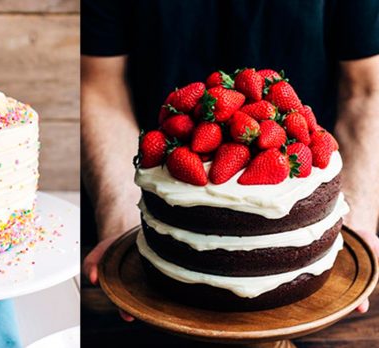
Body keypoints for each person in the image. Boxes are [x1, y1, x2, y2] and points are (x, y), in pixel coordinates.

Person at [81, 0, 379, 320]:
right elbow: (100, 87)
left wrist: (348, 224)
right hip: (166, 174)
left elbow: (366, 89)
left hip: (298, 173)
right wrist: (123, 223)